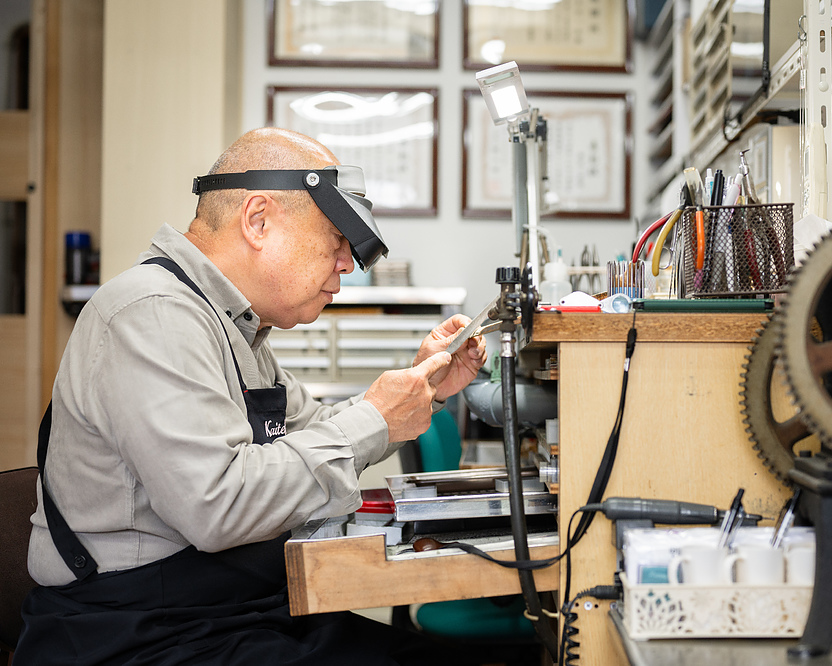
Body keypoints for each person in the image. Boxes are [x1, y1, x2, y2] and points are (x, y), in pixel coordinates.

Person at [14, 127, 488, 665]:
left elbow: (313, 431)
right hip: (133, 636)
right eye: (335, 239)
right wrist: (377, 417)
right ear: (258, 220)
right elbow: (217, 505)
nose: (347, 265)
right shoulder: (152, 313)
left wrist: (418, 386)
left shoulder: (233, 325)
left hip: (222, 613)